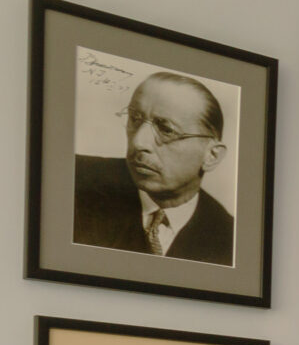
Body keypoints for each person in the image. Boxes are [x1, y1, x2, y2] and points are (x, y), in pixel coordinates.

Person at [73, 72, 235, 264]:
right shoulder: (74, 179)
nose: (138, 142)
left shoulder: (229, 238)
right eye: (135, 119)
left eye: (166, 130)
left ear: (212, 156)